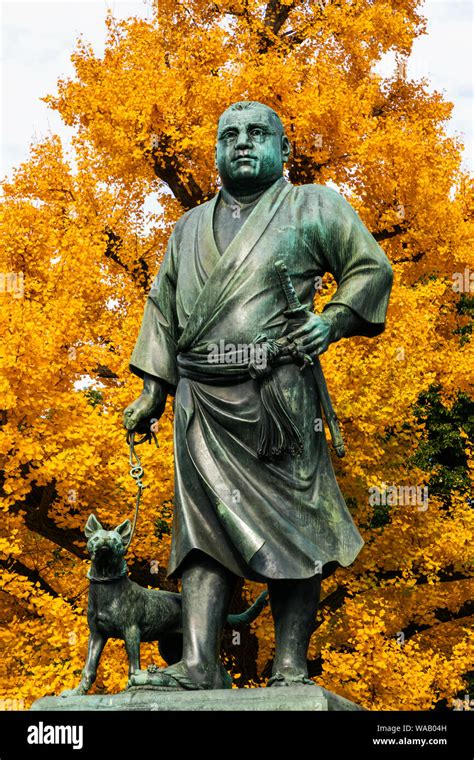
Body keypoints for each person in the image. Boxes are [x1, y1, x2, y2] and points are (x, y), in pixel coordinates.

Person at [123, 101, 393, 690]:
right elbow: (161, 310)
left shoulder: (313, 205)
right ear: (217, 150)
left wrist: (334, 319)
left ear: (284, 149)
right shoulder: (188, 226)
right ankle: (198, 662)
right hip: (200, 401)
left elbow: (371, 269)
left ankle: (290, 665)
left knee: (298, 525)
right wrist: (152, 390)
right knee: (199, 530)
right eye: (229, 135)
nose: (242, 143)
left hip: (278, 397)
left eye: (257, 133)